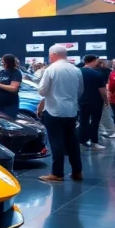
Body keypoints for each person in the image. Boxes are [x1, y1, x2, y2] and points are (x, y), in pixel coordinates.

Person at [37, 45, 84, 182]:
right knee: (72, 142)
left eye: (50, 54)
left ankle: (57, 173)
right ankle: (77, 171)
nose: (49, 57)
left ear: (54, 54)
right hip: (71, 111)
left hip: (54, 111)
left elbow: (42, 91)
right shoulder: (76, 70)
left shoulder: (51, 69)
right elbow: (80, 91)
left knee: (56, 142)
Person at [78, 55, 108, 150]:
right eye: (96, 61)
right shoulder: (97, 74)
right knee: (95, 122)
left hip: (81, 101)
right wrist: (106, 100)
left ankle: (82, 141)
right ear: (93, 61)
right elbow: (102, 91)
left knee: (83, 121)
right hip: (96, 101)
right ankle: (94, 142)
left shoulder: (77, 72)